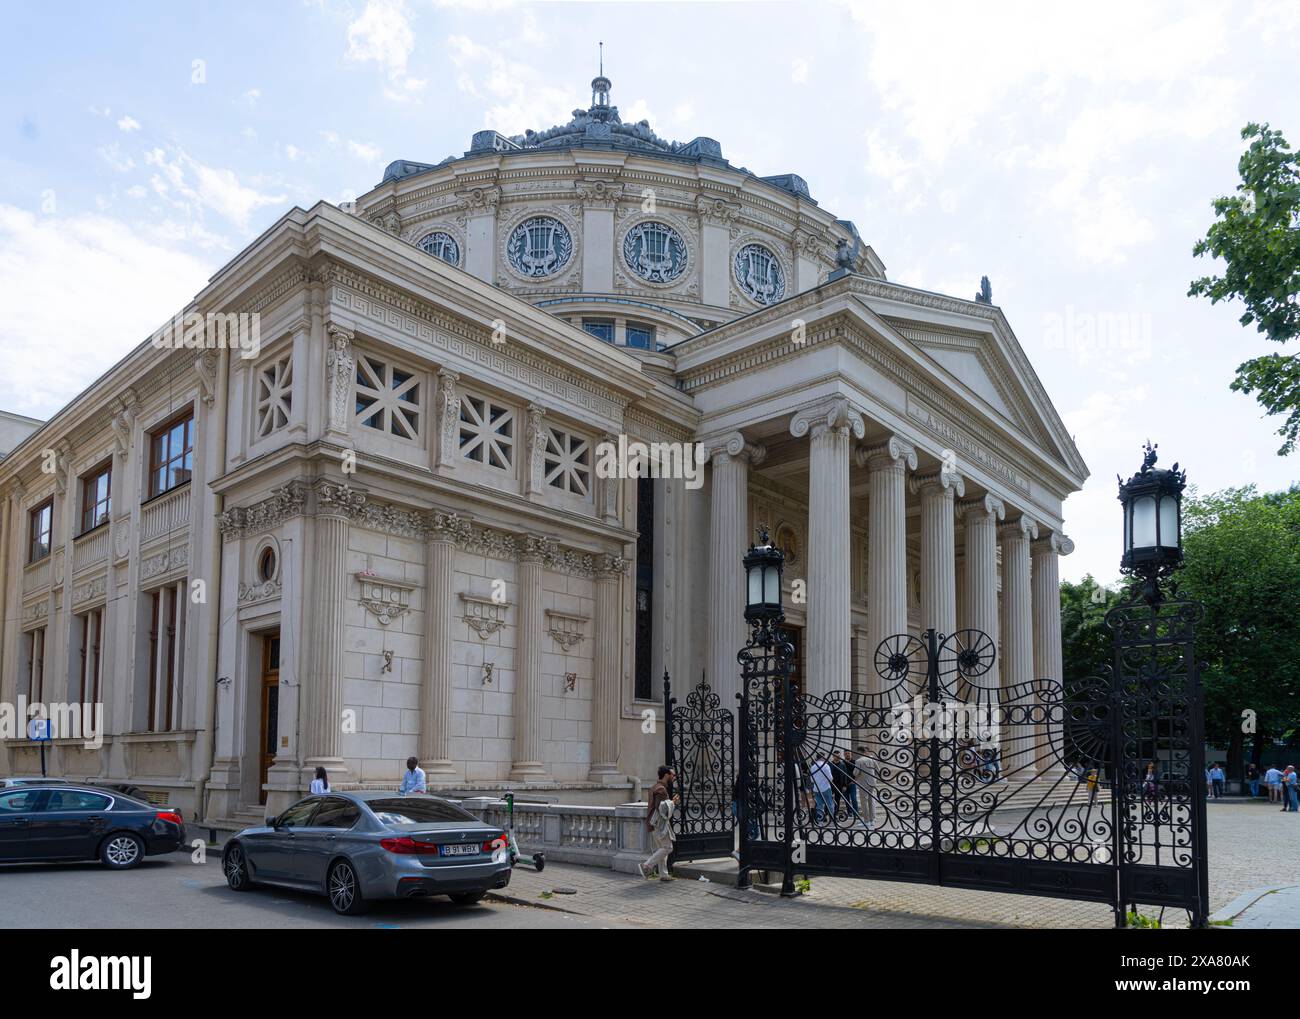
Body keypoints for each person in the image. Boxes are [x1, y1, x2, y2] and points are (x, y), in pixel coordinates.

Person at [639, 766, 679, 881]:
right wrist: (673, 802)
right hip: (658, 824)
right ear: (666, 775)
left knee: (662, 848)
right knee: (668, 847)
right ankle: (647, 866)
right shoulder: (661, 789)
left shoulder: (654, 787)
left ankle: (663, 874)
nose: (674, 776)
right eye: (673, 774)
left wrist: (670, 802)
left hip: (652, 823)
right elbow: (662, 809)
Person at [854, 746, 877, 828]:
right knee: (872, 801)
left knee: (864, 802)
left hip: (863, 783)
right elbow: (878, 769)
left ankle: (867, 821)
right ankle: (872, 820)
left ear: (860, 752)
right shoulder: (872, 759)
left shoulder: (859, 761)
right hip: (872, 783)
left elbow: (856, 773)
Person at [810, 755, 835, 824]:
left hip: (816, 788)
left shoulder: (813, 767)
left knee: (819, 805)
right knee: (830, 804)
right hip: (826, 787)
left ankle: (820, 821)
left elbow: (812, 779)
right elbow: (830, 778)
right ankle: (832, 820)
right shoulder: (826, 766)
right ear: (822, 758)